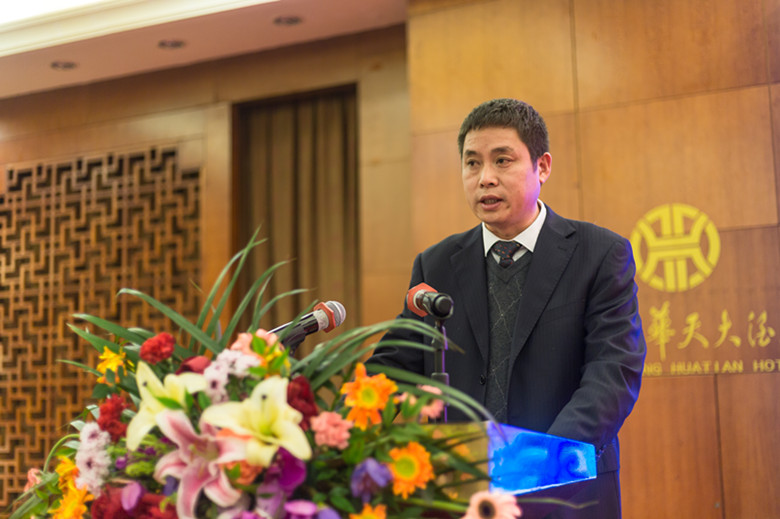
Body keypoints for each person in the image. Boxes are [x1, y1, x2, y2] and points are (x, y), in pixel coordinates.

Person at [369, 98, 646, 519]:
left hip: (564, 491)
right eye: (472, 163)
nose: (485, 178)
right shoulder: (437, 264)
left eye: (502, 160)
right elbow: (392, 370)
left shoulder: (599, 254)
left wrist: (539, 461)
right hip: (457, 496)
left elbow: (614, 373)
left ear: (542, 167)